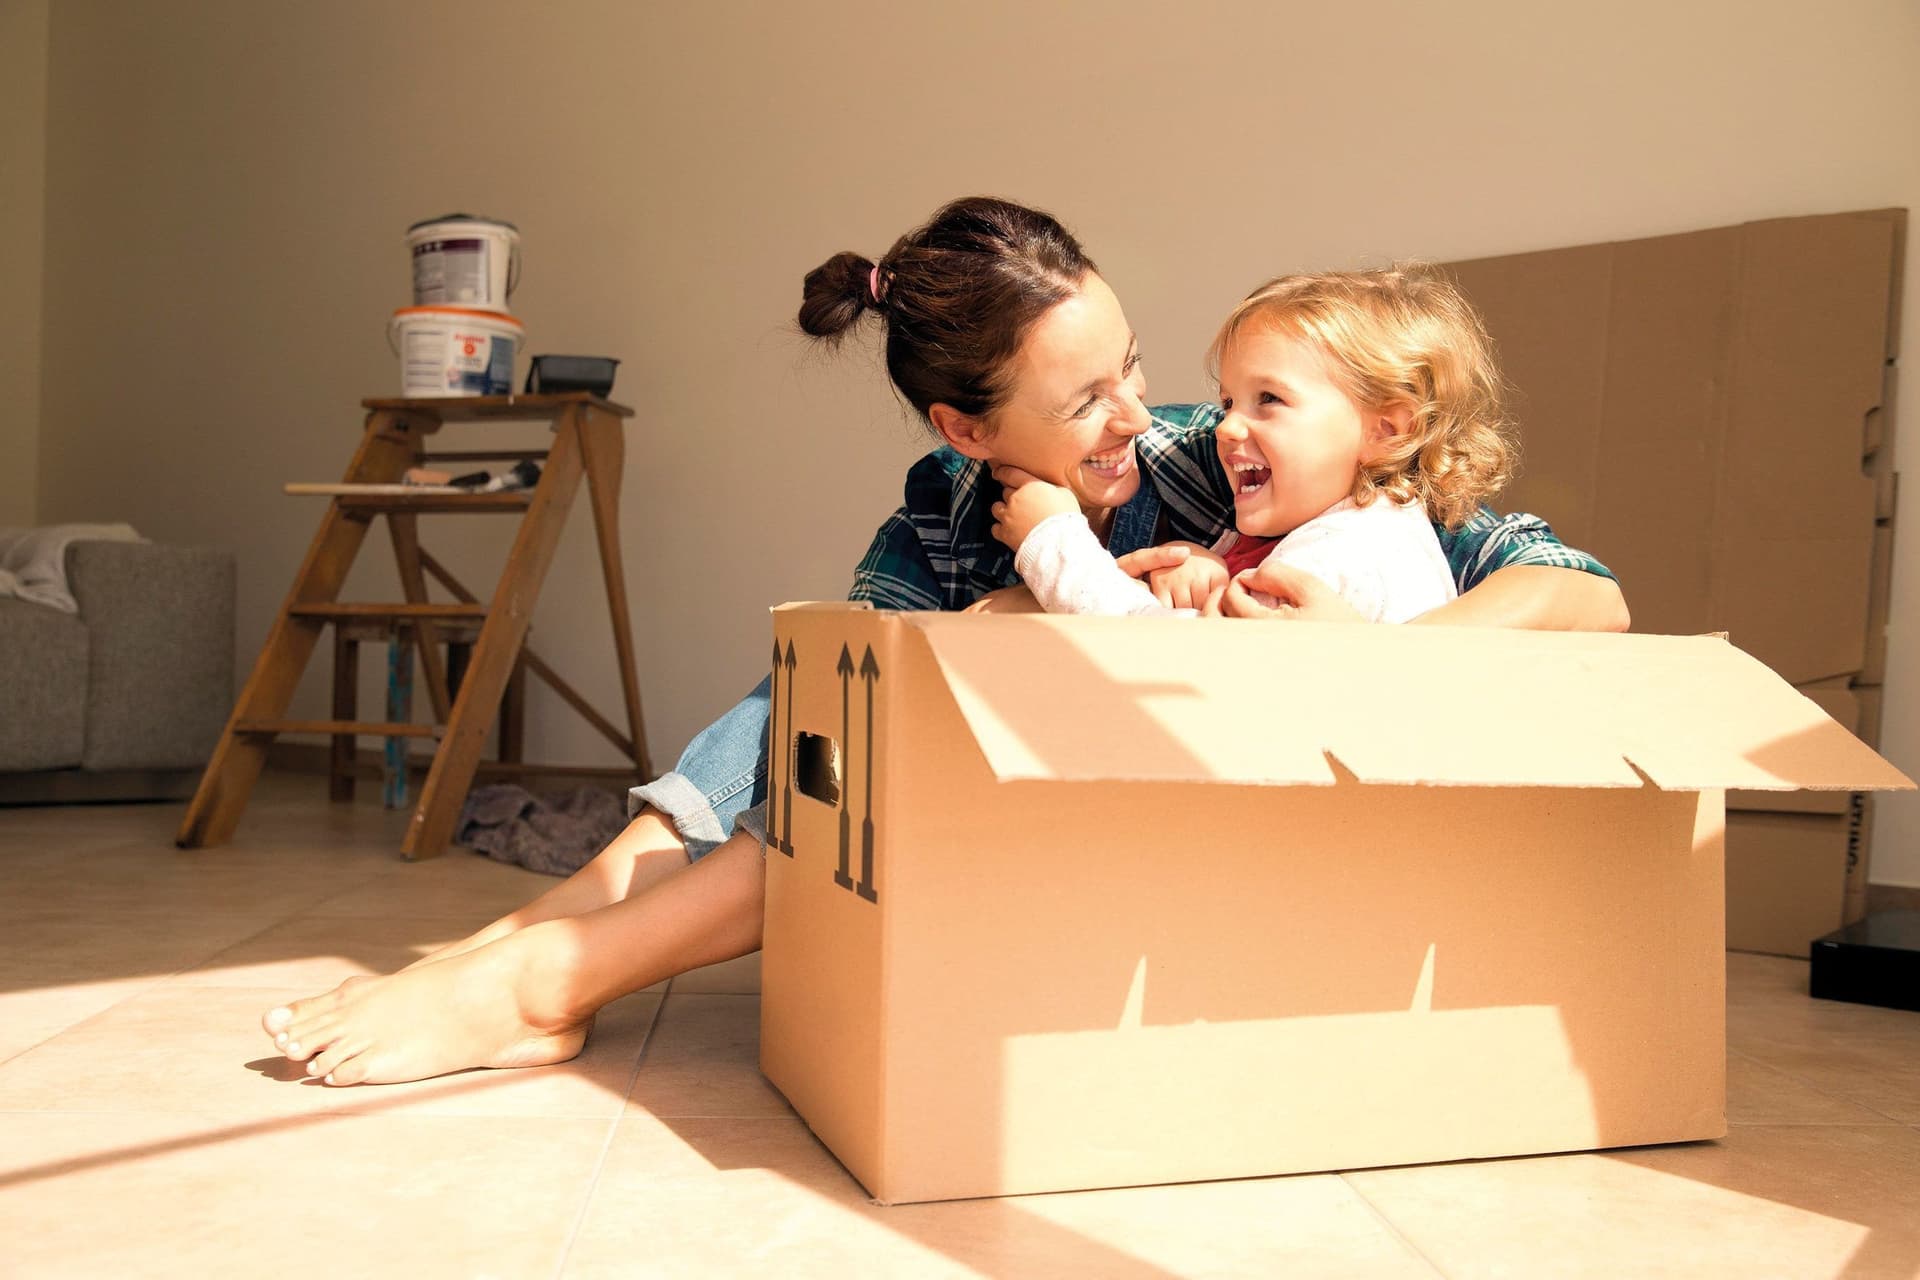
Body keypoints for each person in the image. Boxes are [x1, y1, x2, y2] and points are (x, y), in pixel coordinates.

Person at [261, 197, 1628, 1086]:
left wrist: (1382, 655)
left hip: (1157, 854)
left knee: (886, 723)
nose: (1144, 418)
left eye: (1132, 366)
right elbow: (838, 728)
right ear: (968, 430)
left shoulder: (1227, 466)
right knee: (810, 706)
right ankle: (519, 949)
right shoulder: (941, 516)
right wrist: (1018, 600)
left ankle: (542, 971)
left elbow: (1579, 591)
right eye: (1085, 400)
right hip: (1009, 824)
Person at [998, 264, 1509, 623]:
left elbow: (1165, 660)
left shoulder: (1345, 555)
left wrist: (1052, 540)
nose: (1225, 428)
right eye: (1228, 403)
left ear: (1387, 431)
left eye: (1269, 399)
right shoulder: (1350, 532)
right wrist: (1209, 573)